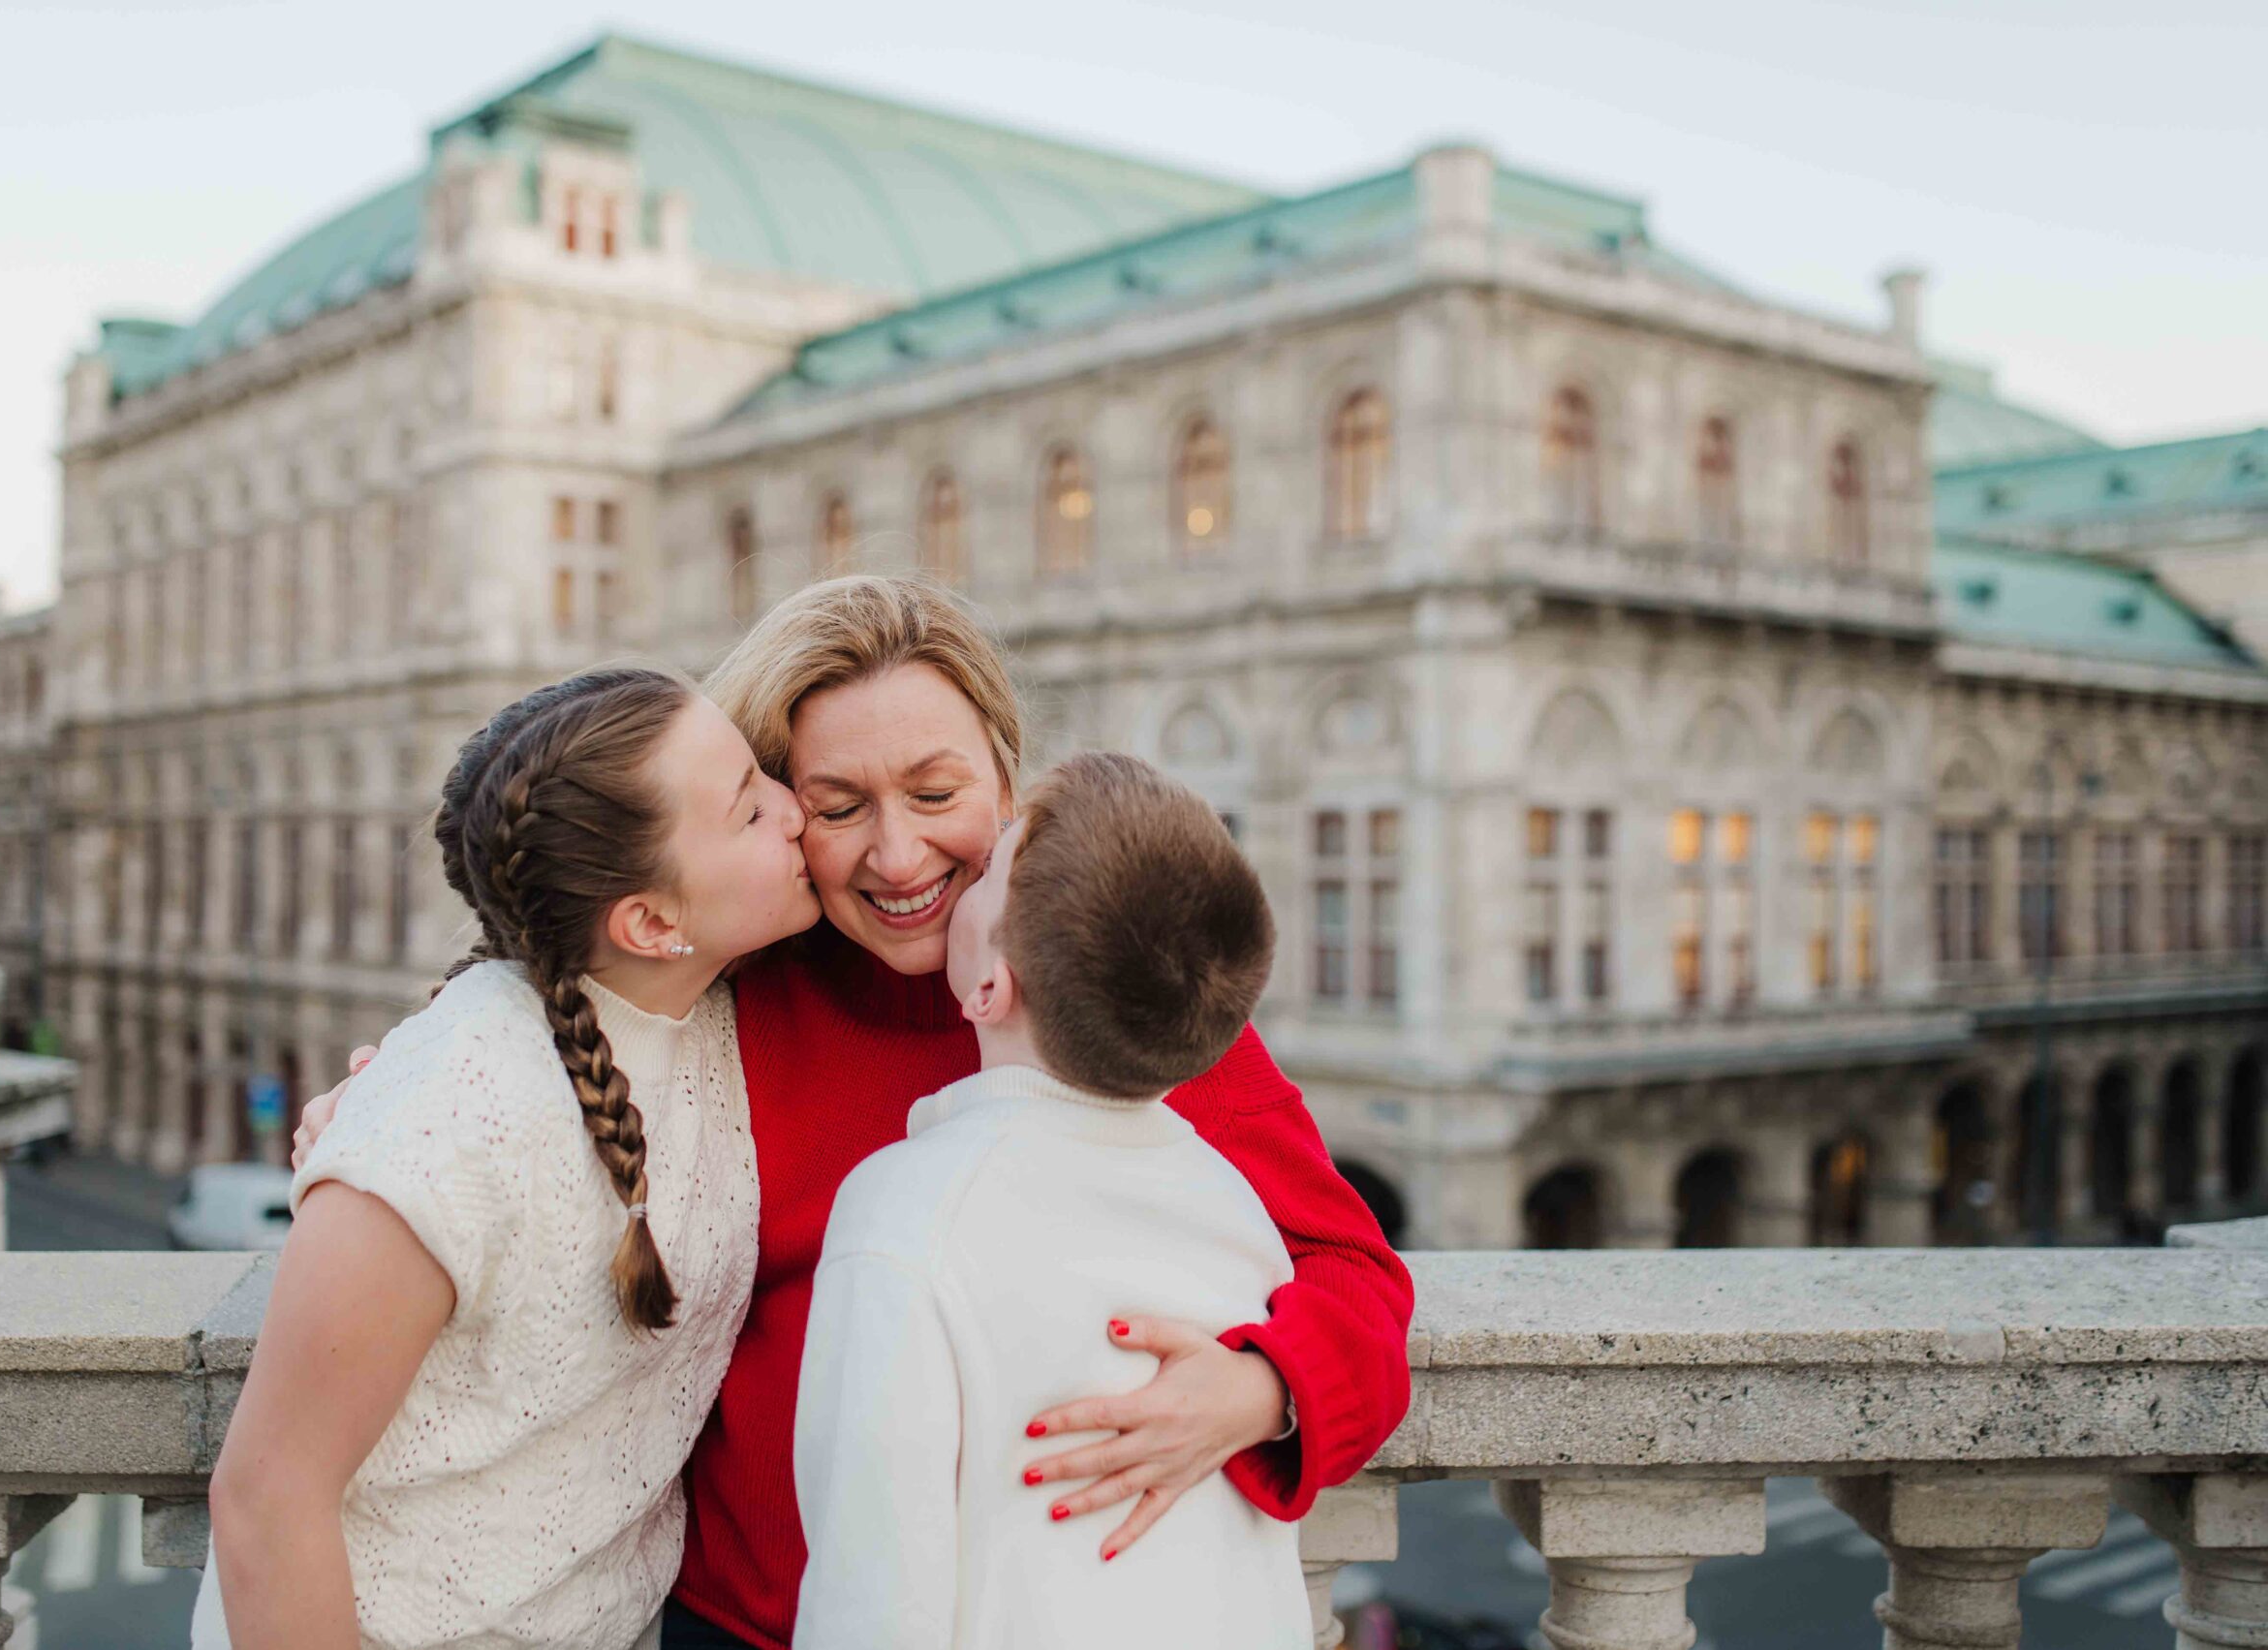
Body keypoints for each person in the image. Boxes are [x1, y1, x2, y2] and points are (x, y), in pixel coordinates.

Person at [296, 576, 1415, 1650]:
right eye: (839, 807)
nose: (897, 853)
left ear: (1004, 772)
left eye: (937, 795)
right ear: (779, 811)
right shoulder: (726, 984)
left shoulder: (1113, 989)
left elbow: (1355, 1277)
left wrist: (1260, 1388)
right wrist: (375, 1110)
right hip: (734, 1622)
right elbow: (536, 1026)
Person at [199, 667, 817, 1650]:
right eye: (749, 808)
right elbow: (268, 1496)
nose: (796, 811)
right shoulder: (453, 1110)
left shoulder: (697, 1000)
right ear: (651, 923)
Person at [794, 752, 1311, 1650]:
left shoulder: (904, 1209)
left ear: (991, 987)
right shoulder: (1234, 1201)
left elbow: (871, 1592)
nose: (975, 861)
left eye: (993, 868)